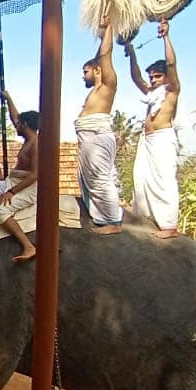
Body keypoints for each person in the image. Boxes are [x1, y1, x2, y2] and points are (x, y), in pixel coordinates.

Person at [126, 19, 183, 239]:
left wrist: (166, 37)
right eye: (152, 76)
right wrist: (131, 52)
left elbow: (171, 64)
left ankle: (169, 225)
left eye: (157, 76)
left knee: (163, 178)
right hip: (146, 140)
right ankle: (146, 217)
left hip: (162, 138)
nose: (153, 79)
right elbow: (135, 77)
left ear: (166, 78)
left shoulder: (172, 90)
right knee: (141, 178)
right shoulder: (151, 93)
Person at [77, 15, 123, 235]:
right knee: (88, 179)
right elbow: (99, 57)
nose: (83, 76)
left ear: (96, 71)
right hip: (87, 137)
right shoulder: (95, 90)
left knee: (100, 177)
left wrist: (108, 30)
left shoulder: (108, 84)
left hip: (97, 136)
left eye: (85, 71)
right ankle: (100, 216)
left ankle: (113, 222)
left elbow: (105, 56)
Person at [0, 92, 41, 262]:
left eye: (19, 124)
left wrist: (12, 192)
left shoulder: (36, 144)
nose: (15, 125)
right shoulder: (28, 139)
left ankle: (28, 246)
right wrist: (9, 99)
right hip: (14, 180)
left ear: (26, 124)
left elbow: (35, 174)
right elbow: (15, 117)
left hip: (28, 186)